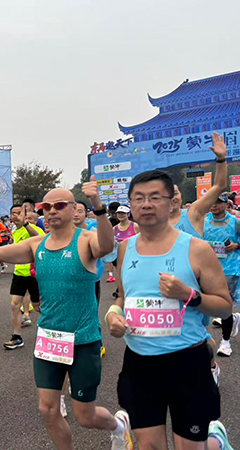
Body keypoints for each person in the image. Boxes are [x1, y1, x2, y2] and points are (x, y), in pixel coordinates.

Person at [0, 178, 134, 449]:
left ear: (73, 209)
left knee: (85, 415)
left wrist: (98, 206)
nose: (52, 211)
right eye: (47, 207)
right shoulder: (37, 245)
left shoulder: (86, 240)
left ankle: (118, 426)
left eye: (60, 205)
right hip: (49, 339)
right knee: (47, 409)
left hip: (83, 339)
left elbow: (105, 246)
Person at [106, 170, 233, 449]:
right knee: (149, 445)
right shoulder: (125, 248)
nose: (146, 205)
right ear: (130, 204)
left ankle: (215, 439)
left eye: (155, 197)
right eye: (138, 198)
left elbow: (225, 308)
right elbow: (123, 298)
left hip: (187, 361)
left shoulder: (196, 249)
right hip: (139, 362)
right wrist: (112, 314)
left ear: (172, 202)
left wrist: (189, 295)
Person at [170, 132, 228, 239]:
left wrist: (221, 159)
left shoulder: (193, 212)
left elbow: (219, 186)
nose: (173, 198)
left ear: (181, 196)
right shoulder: (153, 224)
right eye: (167, 195)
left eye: (175, 193)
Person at [203, 193, 240, 357]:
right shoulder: (203, 221)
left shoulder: (235, 222)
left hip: (230, 269)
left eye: (219, 202)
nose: (214, 205)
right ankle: (231, 318)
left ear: (227, 205)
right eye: (213, 202)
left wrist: (236, 245)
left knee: (225, 305)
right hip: (208, 269)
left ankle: (225, 342)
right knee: (206, 304)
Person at [4, 204, 43, 350]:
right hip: (19, 273)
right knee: (14, 305)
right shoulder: (15, 231)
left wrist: (26, 224)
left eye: (19, 213)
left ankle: (50, 333)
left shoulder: (33, 228)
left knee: (39, 307)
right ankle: (17, 337)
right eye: (13, 213)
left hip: (34, 275)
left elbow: (38, 238)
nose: (16, 216)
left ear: (25, 215)